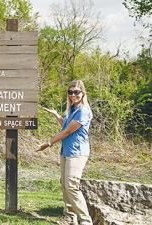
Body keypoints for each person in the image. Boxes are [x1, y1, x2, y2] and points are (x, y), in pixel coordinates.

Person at [36, 80, 93, 225]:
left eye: (76, 92)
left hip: (77, 152)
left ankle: (85, 221)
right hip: (66, 151)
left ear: (83, 93)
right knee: (65, 185)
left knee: (71, 186)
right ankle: (70, 218)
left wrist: (48, 143)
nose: (73, 95)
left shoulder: (84, 111)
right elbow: (66, 125)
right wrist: (56, 115)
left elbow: (67, 131)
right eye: (70, 92)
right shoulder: (72, 109)